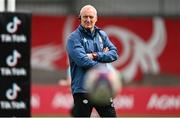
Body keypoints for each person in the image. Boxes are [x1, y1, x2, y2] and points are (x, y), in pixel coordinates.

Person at [66, 4, 118, 117]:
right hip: (82, 90)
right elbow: (83, 62)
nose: (88, 20)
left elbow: (114, 54)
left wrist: (95, 55)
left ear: (96, 18)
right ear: (80, 18)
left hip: (102, 88)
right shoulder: (73, 38)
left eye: (91, 16)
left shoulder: (102, 35)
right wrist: (103, 57)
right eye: (85, 17)